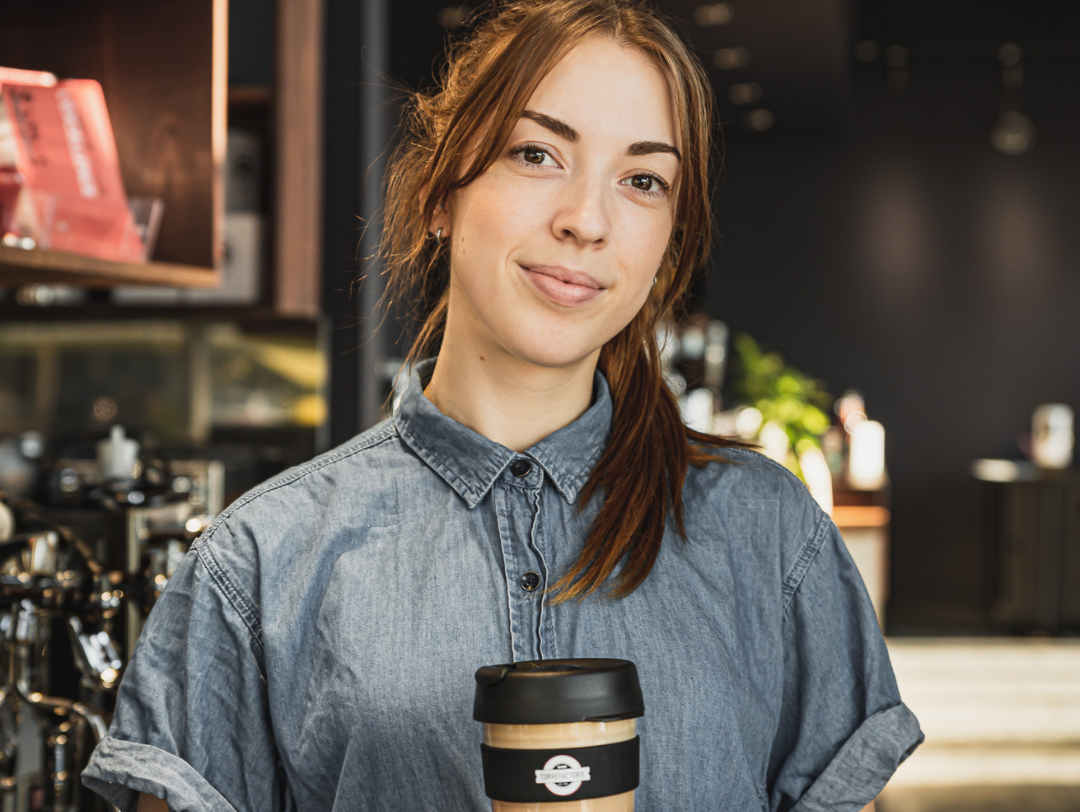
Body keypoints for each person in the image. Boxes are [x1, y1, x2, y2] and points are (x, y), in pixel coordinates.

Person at [83, 1, 922, 810]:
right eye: (536, 154)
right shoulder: (261, 561)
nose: (586, 221)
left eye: (642, 180)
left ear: (668, 243)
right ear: (444, 193)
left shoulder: (768, 534)